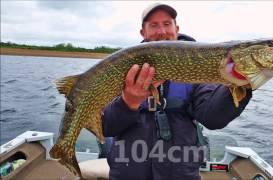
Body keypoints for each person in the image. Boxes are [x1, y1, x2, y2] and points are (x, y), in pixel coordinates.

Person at [101, 3, 252, 180]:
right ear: (143, 32)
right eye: (153, 25)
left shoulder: (197, 66)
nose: (161, 31)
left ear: (176, 28)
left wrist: (243, 84)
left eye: (167, 24)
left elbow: (213, 118)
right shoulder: (125, 67)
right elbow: (105, 126)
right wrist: (128, 103)